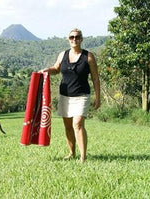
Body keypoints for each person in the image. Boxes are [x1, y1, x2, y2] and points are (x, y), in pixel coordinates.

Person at [40, 28, 100, 162]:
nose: (74, 39)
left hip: (82, 95)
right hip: (65, 96)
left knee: (77, 124)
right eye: (72, 37)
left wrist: (98, 97)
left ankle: (83, 157)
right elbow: (56, 69)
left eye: (77, 37)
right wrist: (47, 70)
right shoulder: (63, 55)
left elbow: (95, 78)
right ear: (68, 39)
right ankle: (72, 153)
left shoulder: (89, 56)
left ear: (81, 39)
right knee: (67, 126)